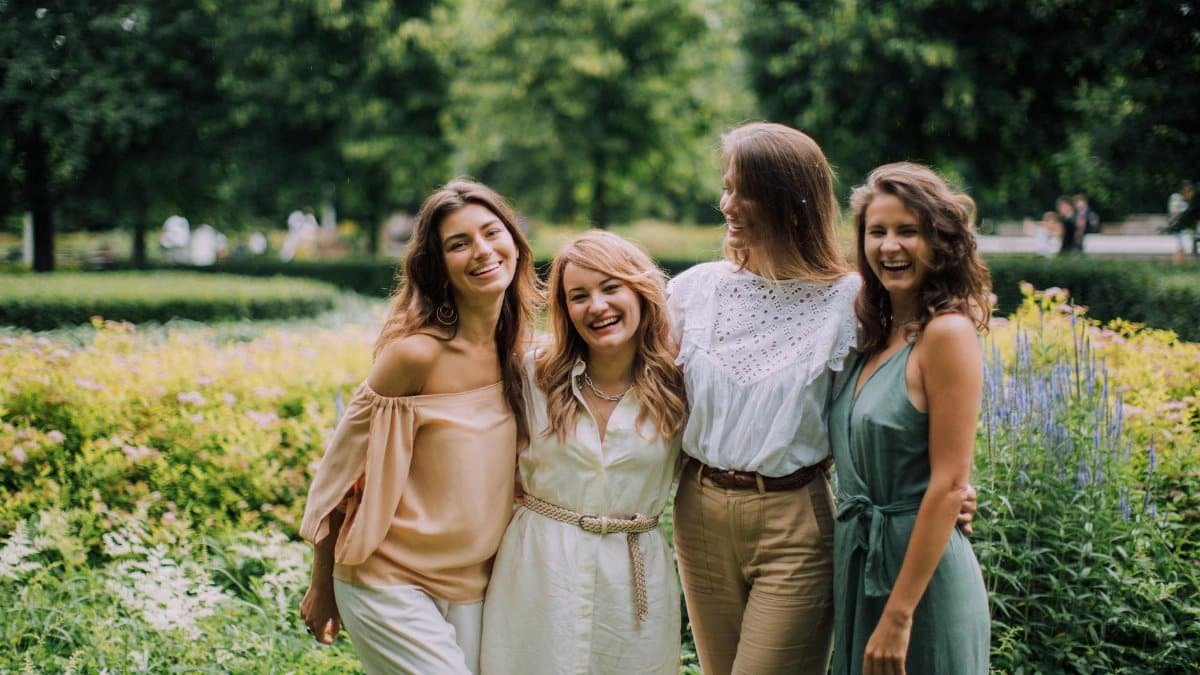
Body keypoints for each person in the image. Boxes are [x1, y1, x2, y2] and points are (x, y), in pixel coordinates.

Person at [298, 180, 540, 675]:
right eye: (459, 243)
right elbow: (341, 475)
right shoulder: (414, 356)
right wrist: (322, 583)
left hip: (474, 586)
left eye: (492, 233)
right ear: (438, 266)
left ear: (514, 241)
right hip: (388, 580)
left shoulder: (518, 353)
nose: (482, 251)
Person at [480, 230, 688, 674]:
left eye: (611, 288)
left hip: (634, 584)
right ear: (565, 309)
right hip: (537, 571)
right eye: (579, 296)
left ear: (641, 290)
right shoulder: (531, 375)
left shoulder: (679, 386)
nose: (597, 306)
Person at [830, 162, 991, 675]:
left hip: (920, 584)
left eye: (908, 231)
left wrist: (900, 617)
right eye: (877, 232)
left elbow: (948, 483)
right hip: (860, 564)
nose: (889, 246)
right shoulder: (874, 336)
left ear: (939, 242)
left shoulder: (946, 334)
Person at [1168, 180, 1196, 263]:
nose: (1190, 194)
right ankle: (1176, 264)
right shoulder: (1175, 198)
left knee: (1183, 246)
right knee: (1182, 246)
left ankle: (1178, 264)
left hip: (1185, 228)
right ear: (1183, 191)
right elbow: (1174, 212)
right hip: (1177, 227)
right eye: (1188, 191)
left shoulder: (1188, 201)